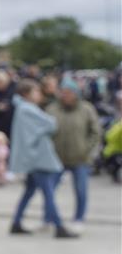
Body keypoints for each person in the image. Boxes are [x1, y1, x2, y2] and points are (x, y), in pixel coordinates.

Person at [9, 79, 77, 238]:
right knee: (48, 193)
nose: (39, 94)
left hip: (34, 158)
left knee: (30, 191)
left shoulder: (23, 108)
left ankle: (16, 222)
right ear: (26, 94)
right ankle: (59, 226)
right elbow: (51, 123)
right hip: (38, 158)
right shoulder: (27, 109)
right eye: (36, 91)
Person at [46, 78, 102, 232]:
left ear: (76, 94)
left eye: (69, 92)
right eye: (63, 92)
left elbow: (96, 132)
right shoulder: (52, 109)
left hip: (80, 158)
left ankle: (79, 218)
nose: (65, 95)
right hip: (57, 159)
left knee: (81, 190)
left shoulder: (86, 109)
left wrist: (88, 149)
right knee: (49, 190)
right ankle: (48, 218)